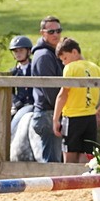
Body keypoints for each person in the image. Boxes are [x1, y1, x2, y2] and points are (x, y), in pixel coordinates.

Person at [52, 37, 100, 164]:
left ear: (74, 52)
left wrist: (55, 119)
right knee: (87, 159)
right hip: (90, 118)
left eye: (65, 58)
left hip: (72, 118)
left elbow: (63, 95)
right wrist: (99, 111)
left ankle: (70, 178)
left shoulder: (70, 68)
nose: (64, 63)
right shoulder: (96, 68)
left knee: (69, 159)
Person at [29, 15, 65, 163]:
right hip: (48, 114)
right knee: (52, 164)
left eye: (58, 31)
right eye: (51, 32)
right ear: (42, 33)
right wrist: (62, 111)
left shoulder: (52, 53)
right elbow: (51, 92)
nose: (55, 34)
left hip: (50, 113)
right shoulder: (44, 56)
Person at [7, 35, 36, 162]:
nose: (18, 54)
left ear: (28, 51)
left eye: (21, 51)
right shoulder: (13, 72)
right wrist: (16, 101)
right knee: (7, 123)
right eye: (15, 51)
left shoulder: (35, 68)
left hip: (35, 104)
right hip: (20, 106)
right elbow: (10, 92)